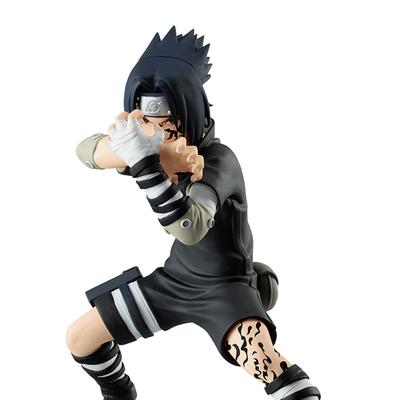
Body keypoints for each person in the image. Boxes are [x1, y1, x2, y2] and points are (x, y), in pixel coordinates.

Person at [66, 27, 321, 400]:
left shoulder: (218, 162)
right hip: (175, 279)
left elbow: (189, 228)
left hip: (225, 288)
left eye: (167, 127)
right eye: (148, 125)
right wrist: (128, 150)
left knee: (267, 366)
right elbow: (85, 151)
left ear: (189, 115)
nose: (158, 134)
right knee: (81, 338)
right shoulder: (151, 151)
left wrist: (146, 167)